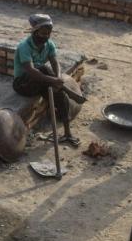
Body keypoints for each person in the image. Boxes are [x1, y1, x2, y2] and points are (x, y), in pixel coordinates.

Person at [12, 14, 86, 146]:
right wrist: (54, 80)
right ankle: (67, 89)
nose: (46, 37)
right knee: (42, 68)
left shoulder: (49, 44)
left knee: (60, 97)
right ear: (35, 32)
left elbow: (55, 62)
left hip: (42, 82)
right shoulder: (24, 46)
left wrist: (57, 78)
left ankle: (68, 133)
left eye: (48, 34)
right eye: (43, 33)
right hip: (24, 84)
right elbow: (31, 71)